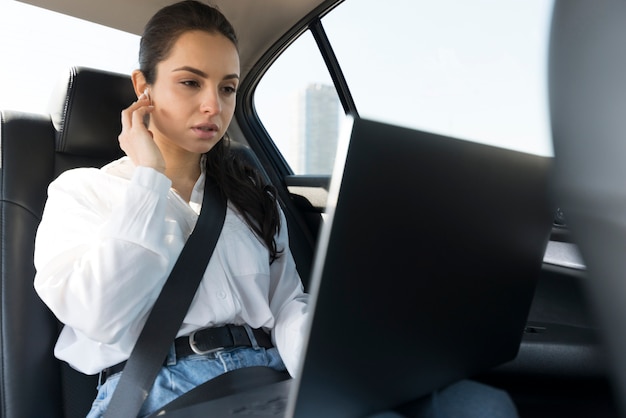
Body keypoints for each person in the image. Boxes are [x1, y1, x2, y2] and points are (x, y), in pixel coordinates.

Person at [33, 1, 519, 417]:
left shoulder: (247, 196)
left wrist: (339, 373)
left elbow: (287, 305)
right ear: (144, 86)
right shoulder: (82, 192)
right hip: (152, 390)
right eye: (190, 83)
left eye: (226, 88)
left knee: (479, 406)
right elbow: (100, 314)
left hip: (266, 376)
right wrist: (150, 182)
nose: (213, 107)